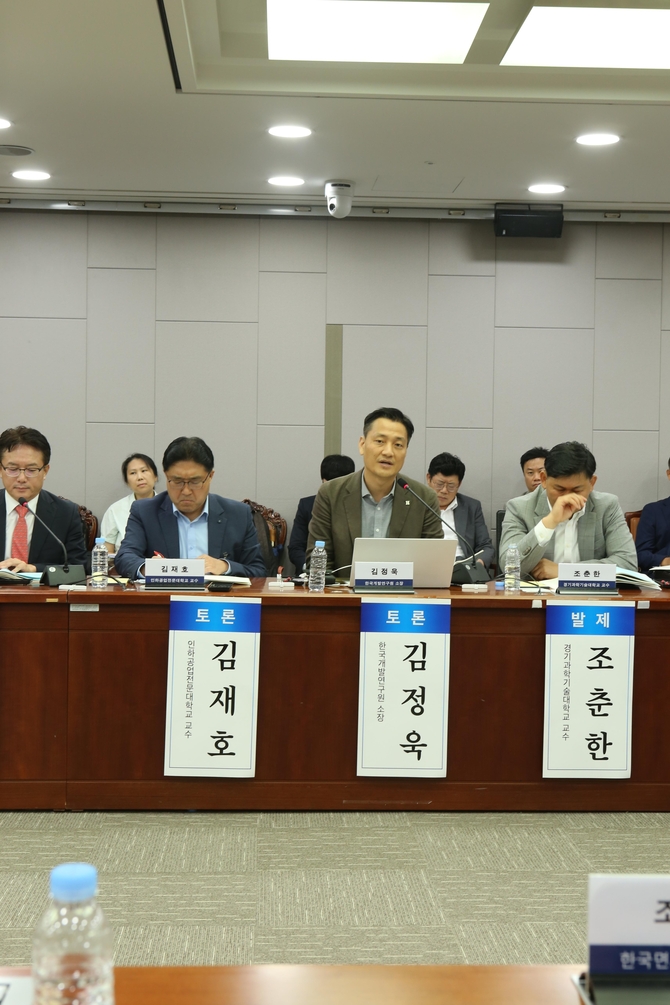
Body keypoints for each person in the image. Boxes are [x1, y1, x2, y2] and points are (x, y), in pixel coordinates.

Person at [306, 407, 443, 574]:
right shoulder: (331, 493)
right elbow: (319, 564)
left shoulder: (424, 498)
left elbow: (432, 566)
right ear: (362, 445)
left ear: (406, 451)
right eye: (380, 441)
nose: (388, 452)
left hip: (404, 591)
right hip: (345, 590)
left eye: (398, 445)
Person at [115, 436, 266, 580]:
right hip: (165, 597)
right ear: (166, 476)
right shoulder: (145, 511)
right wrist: (151, 568)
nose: (186, 491)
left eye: (195, 482)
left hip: (217, 598)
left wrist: (225, 567)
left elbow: (258, 570)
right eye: (177, 481)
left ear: (210, 476)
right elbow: (125, 557)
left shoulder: (238, 514)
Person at [500, 440, 637, 580]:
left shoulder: (607, 506)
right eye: (559, 489)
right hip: (537, 593)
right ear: (544, 479)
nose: (567, 498)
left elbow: (627, 564)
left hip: (591, 593)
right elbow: (508, 567)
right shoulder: (519, 508)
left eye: (577, 490)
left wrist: (565, 571)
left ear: (592, 483)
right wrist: (549, 522)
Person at [0, 425, 88, 573]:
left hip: (42, 588)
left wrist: (33, 569)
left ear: (45, 471)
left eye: (31, 470)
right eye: (13, 469)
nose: (21, 478)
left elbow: (78, 568)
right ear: (0, 470)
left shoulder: (66, 513)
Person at [288, 454, 356, 573]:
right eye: (330, 484)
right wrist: (310, 568)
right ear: (323, 481)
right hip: (314, 575)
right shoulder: (307, 505)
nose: (334, 489)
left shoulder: (358, 506)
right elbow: (296, 547)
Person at [426, 452, 494, 569]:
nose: (444, 491)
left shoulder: (471, 507)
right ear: (429, 478)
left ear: (459, 484)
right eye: (439, 484)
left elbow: (485, 546)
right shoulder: (415, 504)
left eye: (451, 486)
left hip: (463, 567)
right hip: (428, 566)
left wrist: (479, 564)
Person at [100, 453, 159, 554]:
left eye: (144, 471)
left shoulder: (169, 506)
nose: (139, 477)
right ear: (127, 482)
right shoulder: (115, 510)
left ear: (155, 476)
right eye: (133, 473)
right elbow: (107, 551)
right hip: (125, 563)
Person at [636, 460, 670, 572]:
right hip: (663, 576)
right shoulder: (653, 511)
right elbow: (640, 554)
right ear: (669, 474)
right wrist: (665, 561)